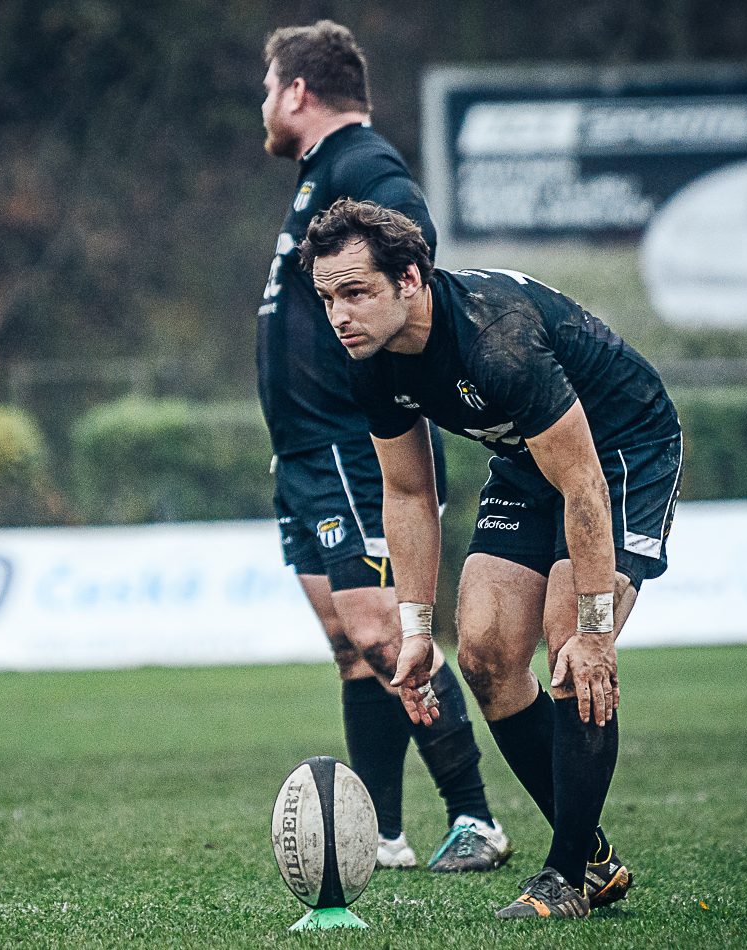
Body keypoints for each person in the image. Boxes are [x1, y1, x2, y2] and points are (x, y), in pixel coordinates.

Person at [300, 199, 678, 919]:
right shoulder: (368, 358)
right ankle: (592, 857)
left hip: (620, 453)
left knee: (570, 649)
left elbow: (584, 482)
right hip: (526, 459)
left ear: (409, 279)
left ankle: (564, 874)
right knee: (481, 654)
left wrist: (597, 631)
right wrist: (416, 629)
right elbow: (409, 492)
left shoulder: (493, 338)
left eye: (355, 292)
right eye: (326, 297)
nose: (338, 315)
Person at [256, 21, 506, 872]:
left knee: (380, 633)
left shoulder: (361, 163)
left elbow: (413, 260)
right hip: (302, 452)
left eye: (267, 86)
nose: (264, 102)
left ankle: (475, 818)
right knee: (348, 644)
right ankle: (383, 834)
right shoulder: (319, 177)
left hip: (344, 440)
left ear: (296, 92)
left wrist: (384, 378)